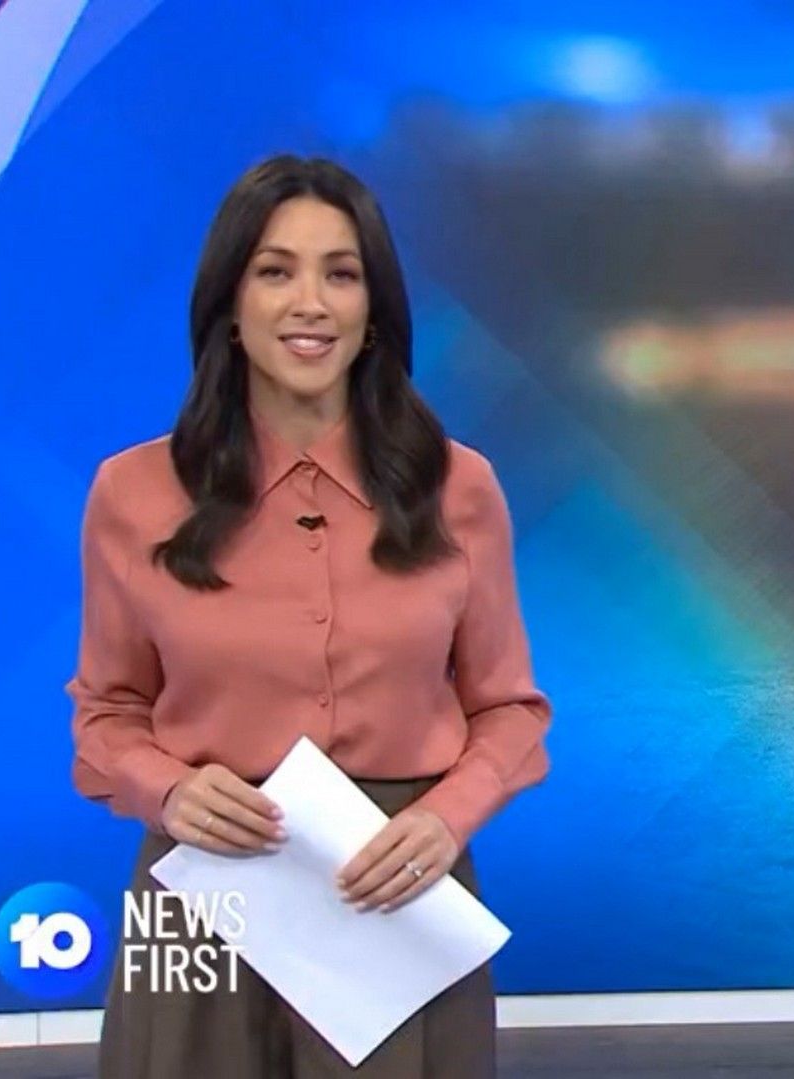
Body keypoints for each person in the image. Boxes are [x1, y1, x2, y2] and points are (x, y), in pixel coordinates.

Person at [67, 154, 551, 1077]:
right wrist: (167, 790)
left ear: (374, 310)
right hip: (203, 887)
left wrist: (446, 820)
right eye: (275, 271)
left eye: (341, 274)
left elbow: (510, 710)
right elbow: (105, 715)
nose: (310, 303)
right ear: (229, 304)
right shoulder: (131, 491)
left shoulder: (460, 487)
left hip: (398, 885)